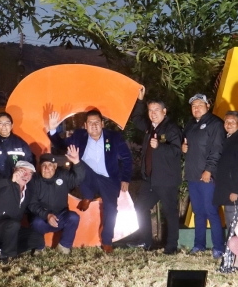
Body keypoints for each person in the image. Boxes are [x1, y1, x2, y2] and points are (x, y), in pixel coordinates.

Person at [48, 109, 132, 254]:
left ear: (102, 124)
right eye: (90, 123)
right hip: (88, 176)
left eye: (97, 122)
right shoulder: (79, 136)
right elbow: (61, 145)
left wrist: (126, 178)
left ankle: (107, 241)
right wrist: (53, 130)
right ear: (85, 125)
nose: (94, 125)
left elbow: (127, 159)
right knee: (80, 163)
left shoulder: (114, 137)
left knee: (111, 209)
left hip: (109, 180)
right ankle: (87, 195)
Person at [131, 89, 183, 254]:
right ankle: (146, 242)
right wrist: (140, 101)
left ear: (164, 111)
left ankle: (171, 247)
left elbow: (177, 151)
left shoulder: (171, 128)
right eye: (150, 110)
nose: (153, 114)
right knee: (140, 208)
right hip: (150, 180)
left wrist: (160, 147)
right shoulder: (149, 127)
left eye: (156, 110)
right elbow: (135, 119)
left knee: (170, 212)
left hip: (166, 180)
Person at [182, 94, 226, 258]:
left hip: (208, 176)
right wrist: (183, 147)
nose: (196, 108)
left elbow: (217, 149)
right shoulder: (190, 124)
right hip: (193, 175)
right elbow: (185, 142)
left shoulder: (215, 123)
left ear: (208, 106)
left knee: (211, 211)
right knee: (198, 212)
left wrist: (209, 170)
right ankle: (198, 245)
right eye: (193, 105)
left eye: (200, 104)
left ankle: (218, 247)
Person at [27, 148, 86, 254]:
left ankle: (64, 246)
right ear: (40, 167)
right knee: (35, 222)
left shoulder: (63, 175)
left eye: (50, 165)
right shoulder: (34, 180)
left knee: (73, 217)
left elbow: (79, 178)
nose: (47, 168)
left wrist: (76, 162)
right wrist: (47, 215)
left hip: (60, 217)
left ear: (55, 167)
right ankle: (39, 248)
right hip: (42, 219)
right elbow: (32, 204)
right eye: (44, 165)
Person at [0, 161, 37, 262]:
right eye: (23, 171)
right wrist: (11, 180)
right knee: (13, 224)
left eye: (30, 173)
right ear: (14, 170)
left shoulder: (28, 191)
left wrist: (48, 214)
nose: (26, 175)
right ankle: (6, 257)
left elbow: (33, 206)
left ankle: (1, 249)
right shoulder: (4, 183)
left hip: (12, 229)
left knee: (37, 238)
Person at [0, 112, 33, 203]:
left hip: (13, 185)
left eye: (7, 123)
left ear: (12, 125)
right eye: (0, 123)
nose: (4, 126)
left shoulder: (21, 144)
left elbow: (28, 165)